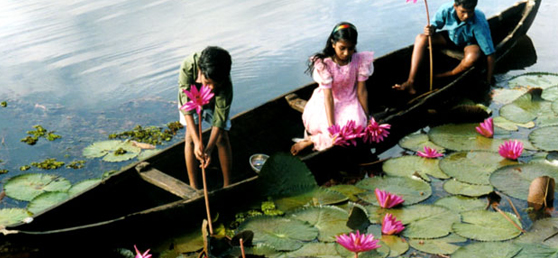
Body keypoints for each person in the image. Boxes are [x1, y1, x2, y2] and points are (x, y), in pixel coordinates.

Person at [291, 22, 374, 155]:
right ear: (333, 44)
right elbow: (328, 97)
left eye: (350, 48)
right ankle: (313, 140)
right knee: (332, 129)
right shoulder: (326, 65)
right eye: (342, 48)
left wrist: (367, 116)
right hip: (328, 101)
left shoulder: (359, 61)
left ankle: (313, 140)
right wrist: (331, 127)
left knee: (357, 126)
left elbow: (361, 91)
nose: (346, 53)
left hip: (349, 99)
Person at [393, 0, 495, 94]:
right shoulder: (446, 9)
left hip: (469, 43)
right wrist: (430, 29)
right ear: (455, 6)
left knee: (473, 57)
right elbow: (434, 25)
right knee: (421, 38)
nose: (466, 16)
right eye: (463, 12)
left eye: (470, 12)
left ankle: (446, 75)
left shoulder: (479, 22)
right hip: (451, 38)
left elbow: (490, 54)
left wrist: (488, 81)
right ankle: (410, 82)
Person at [178, 46, 233, 189]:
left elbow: (219, 119)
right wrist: (198, 142)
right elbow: (186, 107)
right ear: (201, 73)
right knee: (190, 137)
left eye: (215, 85)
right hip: (193, 98)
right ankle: (194, 187)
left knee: (222, 137)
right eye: (207, 83)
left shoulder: (224, 83)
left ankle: (228, 184)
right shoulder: (188, 66)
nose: (210, 88)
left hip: (214, 99)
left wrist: (208, 149)